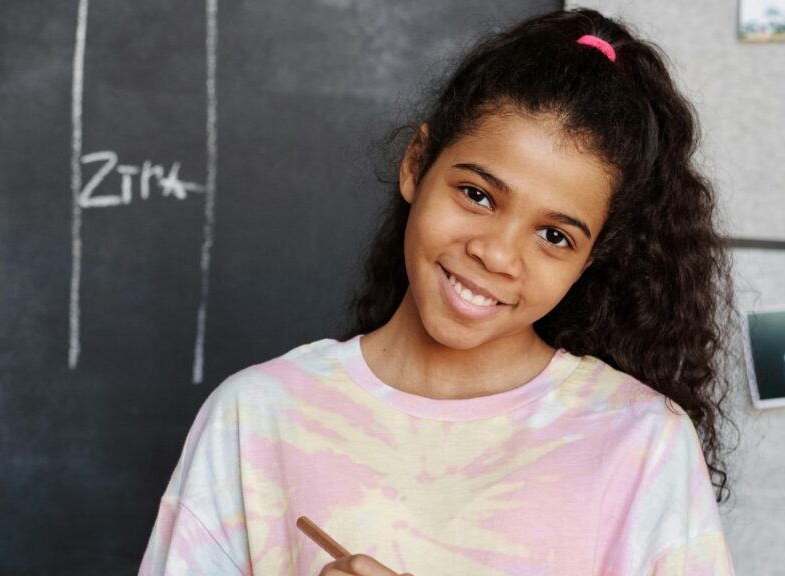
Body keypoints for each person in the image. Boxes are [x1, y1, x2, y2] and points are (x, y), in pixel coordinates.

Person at [139, 7, 737, 575]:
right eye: (477, 194)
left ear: (591, 257)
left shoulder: (641, 442)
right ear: (416, 163)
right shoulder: (256, 416)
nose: (496, 253)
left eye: (554, 235)